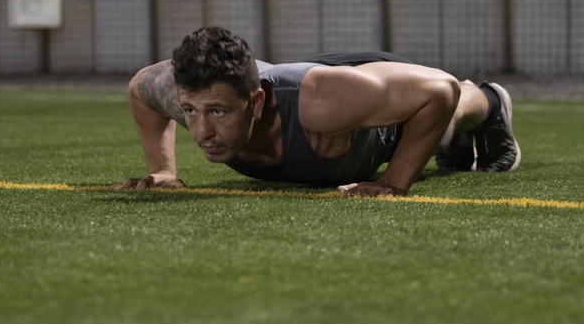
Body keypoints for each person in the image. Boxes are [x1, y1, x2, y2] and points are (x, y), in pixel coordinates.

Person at [116, 26, 521, 197]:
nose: (202, 130)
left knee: (445, 121)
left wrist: (394, 181)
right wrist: (164, 170)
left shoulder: (325, 105)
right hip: (314, 84)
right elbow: (139, 88)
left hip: (354, 93)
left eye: (218, 112)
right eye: (190, 111)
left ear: (255, 103)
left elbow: (438, 90)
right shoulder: (186, 97)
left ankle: (489, 100)